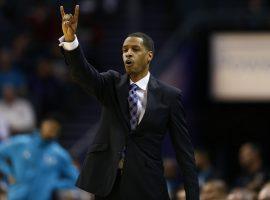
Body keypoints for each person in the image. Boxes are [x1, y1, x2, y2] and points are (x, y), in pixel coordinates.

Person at [59, 5, 199, 200]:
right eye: (124, 50)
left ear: (149, 55)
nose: (128, 53)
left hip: (147, 185)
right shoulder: (111, 84)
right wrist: (71, 41)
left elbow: (184, 153)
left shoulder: (169, 96)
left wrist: (193, 196)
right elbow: (83, 75)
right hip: (108, 184)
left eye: (135, 49)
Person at [0, 117, 79, 200]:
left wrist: (53, 184)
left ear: (59, 130)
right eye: (49, 124)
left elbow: (76, 179)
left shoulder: (60, 154)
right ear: (42, 125)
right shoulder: (20, 143)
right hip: (16, 196)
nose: (50, 128)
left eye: (54, 126)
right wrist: (8, 172)